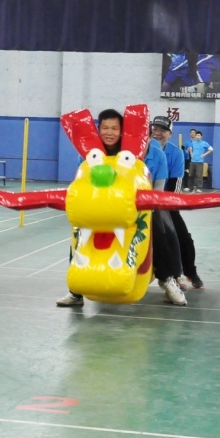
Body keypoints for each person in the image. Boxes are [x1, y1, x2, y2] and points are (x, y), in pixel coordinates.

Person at [56, 110, 185, 307]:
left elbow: (157, 188)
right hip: (100, 204)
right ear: (98, 130)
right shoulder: (91, 154)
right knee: (80, 234)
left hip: (138, 205)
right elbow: (82, 180)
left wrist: (146, 205)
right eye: (105, 128)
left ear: (122, 132)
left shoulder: (140, 154)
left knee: (159, 227)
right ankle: (75, 292)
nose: (110, 132)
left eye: (115, 128)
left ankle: (167, 278)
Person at [151, 116, 205, 290]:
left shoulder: (176, 153)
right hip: (140, 203)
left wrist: (163, 206)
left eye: (163, 130)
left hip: (166, 202)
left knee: (183, 238)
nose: (158, 133)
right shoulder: (142, 149)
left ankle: (189, 272)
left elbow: (175, 185)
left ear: (170, 134)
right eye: (155, 129)